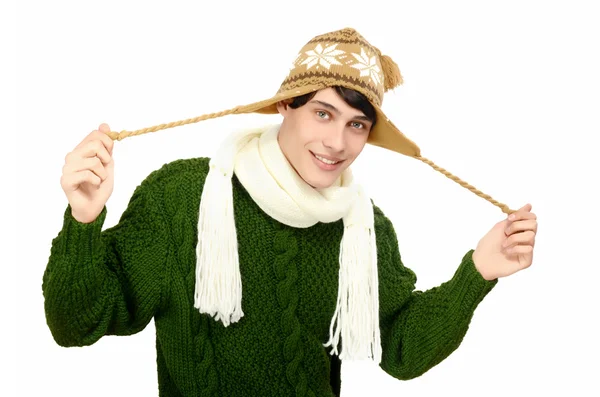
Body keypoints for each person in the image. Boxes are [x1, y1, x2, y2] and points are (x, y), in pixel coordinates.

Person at [42, 27, 538, 396]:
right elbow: (75, 324)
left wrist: (479, 270)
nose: (336, 142)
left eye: (357, 125)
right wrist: (84, 219)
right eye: (322, 113)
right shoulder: (183, 196)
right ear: (286, 107)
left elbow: (402, 348)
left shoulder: (362, 228)